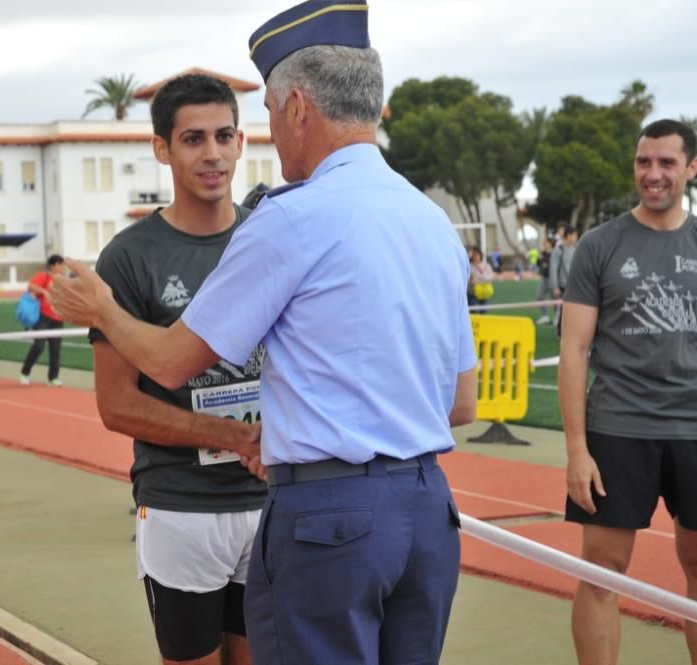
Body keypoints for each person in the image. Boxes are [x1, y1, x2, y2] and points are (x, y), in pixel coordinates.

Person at [50, 3, 477, 663]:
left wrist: (102, 309)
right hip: (427, 512)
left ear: (300, 106)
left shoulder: (291, 218)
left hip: (329, 518)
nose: (271, 138)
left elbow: (168, 364)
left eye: (269, 117)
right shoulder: (429, 221)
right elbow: (461, 402)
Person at [87, 73, 265, 665]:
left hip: (274, 502)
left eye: (223, 136)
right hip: (182, 507)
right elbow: (117, 406)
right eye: (192, 139)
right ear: (161, 148)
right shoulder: (130, 258)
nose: (212, 154)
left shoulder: (271, 239)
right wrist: (235, 436)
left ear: (241, 142)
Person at [560, 119, 697, 665]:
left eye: (666, 163)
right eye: (643, 162)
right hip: (617, 429)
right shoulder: (600, 245)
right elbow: (574, 352)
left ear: (692, 169)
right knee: (601, 571)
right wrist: (577, 450)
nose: (652, 175)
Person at [19, 255, 66, 387]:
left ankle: (53, 377)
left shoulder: (63, 280)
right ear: (54, 265)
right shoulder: (44, 276)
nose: (63, 268)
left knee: (55, 349)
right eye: (61, 265)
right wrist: (44, 292)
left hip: (58, 318)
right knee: (39, 346)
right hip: (43, 317)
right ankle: (25, 372)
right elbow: (31, 287)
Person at [549, 224, 579, 335]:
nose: (576, 237)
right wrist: (555, 286)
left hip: (576, 285)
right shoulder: (558, 250)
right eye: (575, 235)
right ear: (568, 236)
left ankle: (572, 331)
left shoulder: (576, 248)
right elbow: (553, 269)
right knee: (564, 310)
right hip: (563, 285)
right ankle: (560, 332)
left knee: (575, 309)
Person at [535, 236, 556, 324]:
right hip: (544, 278)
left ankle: (558, 317)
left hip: (553, 278)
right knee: (539, 296)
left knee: (555, 298)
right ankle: (545, 316)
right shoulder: (543, 253)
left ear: (550, 243)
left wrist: (547, 263)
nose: (544, 243)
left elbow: (554, 265)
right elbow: (540, 264)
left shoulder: (555, 253)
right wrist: (539, 261)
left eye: (546, 242)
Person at [467, 246, 495, 313]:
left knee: (484, 312)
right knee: (474, 313)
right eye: (473, 254)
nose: (475, 256)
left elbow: (491, 277)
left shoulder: (486, 265)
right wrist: (482, 279)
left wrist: (478, 280)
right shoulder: (469, 266)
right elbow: (470, 280)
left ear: (480, 255)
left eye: (476, 254)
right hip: (472, 294)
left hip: (484, 293)